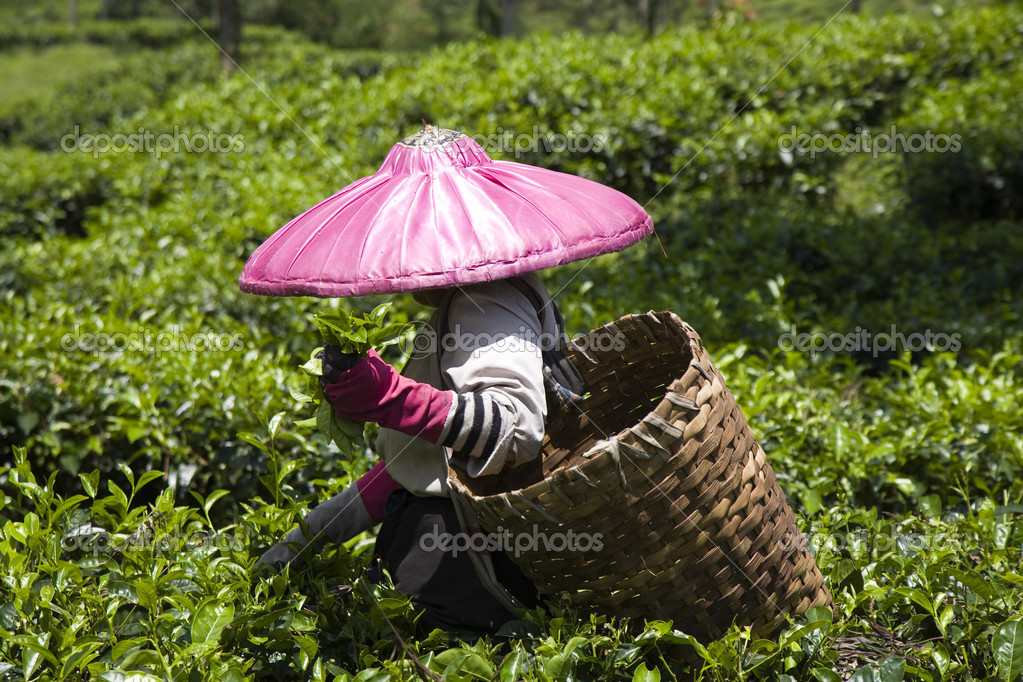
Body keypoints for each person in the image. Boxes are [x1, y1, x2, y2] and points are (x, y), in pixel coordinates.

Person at [258, 270, 582, 634]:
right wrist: (302, 542)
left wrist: (391, 398)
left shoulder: (487, 301)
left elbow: (515, 429)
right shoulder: (471, 299)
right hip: (452, 551)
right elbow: (422, 467)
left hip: (466, 570)